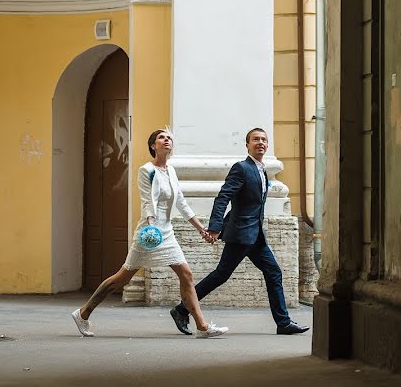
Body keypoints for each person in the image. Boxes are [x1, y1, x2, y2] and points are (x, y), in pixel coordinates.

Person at [72, 128, 228, 338]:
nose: (166, 140)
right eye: (161, 138)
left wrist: (202, 229)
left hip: (167, 231)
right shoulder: (147, 170)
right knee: (122, 278)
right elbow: (147, 202)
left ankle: (202, 327)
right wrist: (152, 227)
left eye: (169, 137)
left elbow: (180, 203)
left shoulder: (171, 171)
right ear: (153, 146)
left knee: (186, 274)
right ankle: (83, 313)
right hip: (150, 233)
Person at [169, 127, 309, 336]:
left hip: (255, 235)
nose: (260, 143)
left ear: (267, 145)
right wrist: (215, 227)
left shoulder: (262, 171)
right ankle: (181, 309)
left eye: (263, 140)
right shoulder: (241, 168)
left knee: (273, 272)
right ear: (247, 145)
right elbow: (223, 197)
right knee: (221, 275)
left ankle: (283, 322)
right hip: (241, 233)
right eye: (255, 140)